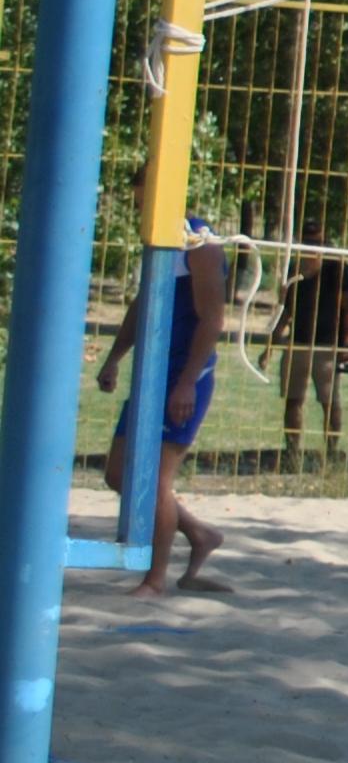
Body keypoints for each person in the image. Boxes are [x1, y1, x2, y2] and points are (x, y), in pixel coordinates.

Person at [97, 212, 232, 597]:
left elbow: (213, 319)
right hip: (151, 375)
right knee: (118, 473)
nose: (138, 208)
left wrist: (188, 382)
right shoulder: (158, 242)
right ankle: (198, 533)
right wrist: (114, 358)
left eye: (142, 198)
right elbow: (142, 305)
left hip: (184, 378)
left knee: (155, 482)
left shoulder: (199, 245)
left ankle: (154, 581)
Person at [270, 255, 348, 468]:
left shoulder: (336, 268)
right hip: (297, 343)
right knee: (293, 400)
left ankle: (331, 452)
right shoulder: (295, 267)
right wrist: (271, 344)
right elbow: (287, 308)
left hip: (326, 346)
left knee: (330, 402)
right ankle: (292, 452)